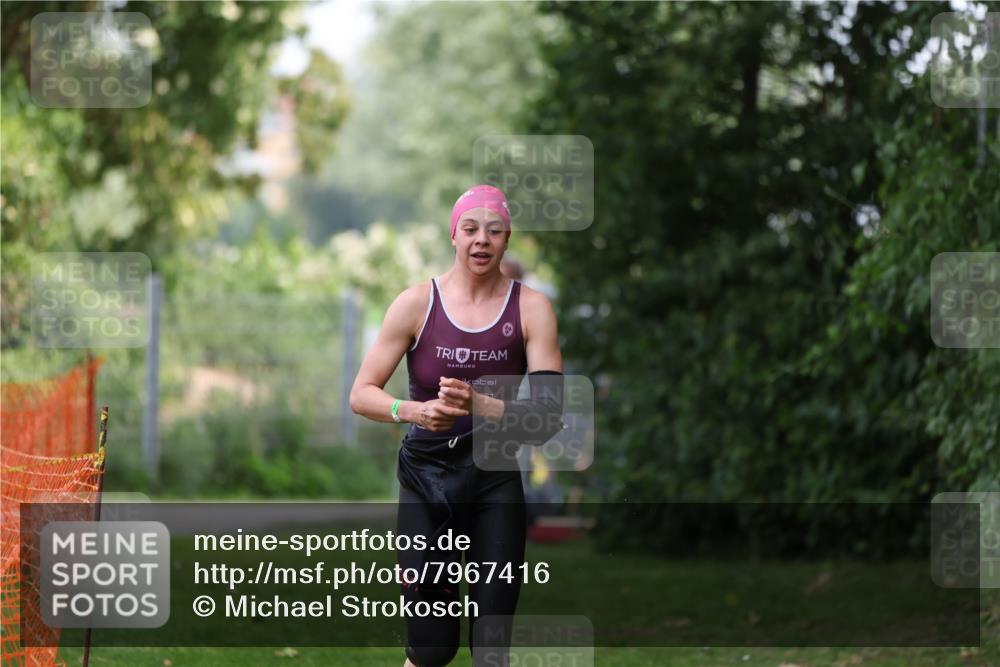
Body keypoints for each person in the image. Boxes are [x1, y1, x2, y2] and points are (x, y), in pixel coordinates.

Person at [349, 184, 563, 667]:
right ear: (453, 235)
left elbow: (548, 418)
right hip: (426, 482)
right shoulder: (415, 304)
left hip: (494, 484)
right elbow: (361, 394)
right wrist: (414, 411)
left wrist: (478, 405)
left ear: (508, 239)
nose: (481, 241)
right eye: (470, 229)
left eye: (494, 231)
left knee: (491, 649)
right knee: (431, 648)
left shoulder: (531, 310)